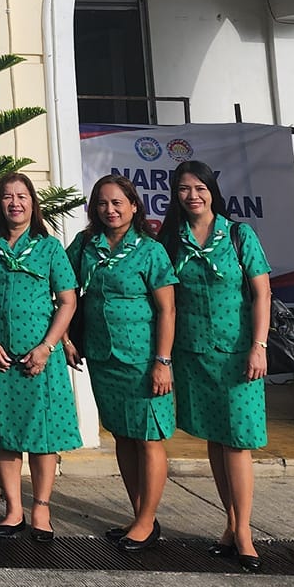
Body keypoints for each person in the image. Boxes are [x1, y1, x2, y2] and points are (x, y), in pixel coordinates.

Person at [160, 160, 272, 571]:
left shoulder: (240, 235)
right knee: (214, 438)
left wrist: (259, 346)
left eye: (199, 188)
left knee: (237, 441)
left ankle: (244, 531)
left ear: (212, 190)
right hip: (194, 355)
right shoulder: (172, 240)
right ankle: (228, 524)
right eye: (184, 189)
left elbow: (262, 294)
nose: (192, 196)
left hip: (237, 355)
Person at [0, 173, 80, 542]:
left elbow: (67, 300)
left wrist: (47, 346)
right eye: (7, 197)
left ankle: (41, 509)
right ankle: (13, 508)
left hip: (40, 357)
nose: (15, 203)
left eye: (22, 196)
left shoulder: (49, 247)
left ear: (33, 202)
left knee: (43, 435)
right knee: (5, 433)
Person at [65, 175, 176, 554]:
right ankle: (139, 515)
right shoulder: (85, 245)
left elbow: (167, 309)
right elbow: (61, 288)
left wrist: (163, 361)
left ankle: (147, 521)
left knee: (148, 438)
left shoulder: (150, 250)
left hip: (143, 358)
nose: (109, 210)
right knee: (124, 436)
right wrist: (64, 338)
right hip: (102, 356)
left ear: (133, 206)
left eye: (117, 203)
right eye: (102, 203)